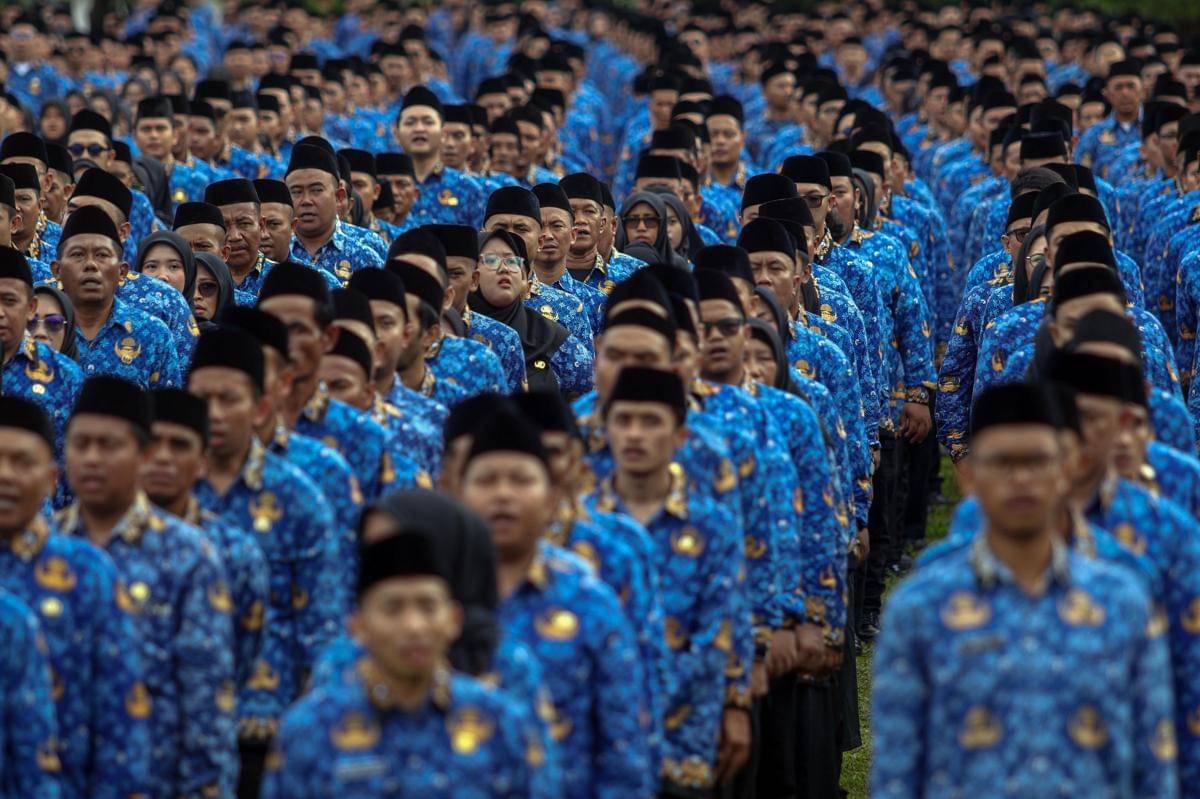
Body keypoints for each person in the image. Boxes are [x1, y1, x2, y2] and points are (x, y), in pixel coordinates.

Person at [873, 381, 1179, 798]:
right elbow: (896, 772)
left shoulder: (1122, 602)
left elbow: (1154, 766)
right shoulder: (921, 608)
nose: (1020, 479)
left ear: (1067, 469)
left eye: (1037, 461)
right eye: (1001, 463)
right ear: (971, 476)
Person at [262, 530, 556, 798]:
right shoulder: (311, 730)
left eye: (428, 607)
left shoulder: (500, 722)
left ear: (454, 620)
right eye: (393, 609)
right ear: (359, 626)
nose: (414, 626)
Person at [458, 404, 653, 798]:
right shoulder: (428, 597)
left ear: (552, 497)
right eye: (487, 480)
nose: (503, 495)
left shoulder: (589, 601)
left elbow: (624, 740)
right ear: (456, 491)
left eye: (521, 480)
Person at [57, 375, 237, 798]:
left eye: (109, 446)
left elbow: (206, 699)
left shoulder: (188, 555)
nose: (92, 460)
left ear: (143, 455)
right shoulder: (46, 550)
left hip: (154, 781)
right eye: (81, 445)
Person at [186, 324, 344, 798]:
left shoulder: (298, 497)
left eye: (228, 399)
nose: (212, 414)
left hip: (267, 726)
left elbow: (319, 629)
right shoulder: (159, 494)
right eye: (201, 399)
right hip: (176, 726)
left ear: (259, 408)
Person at [587, 366, 748, 795]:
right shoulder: (582, 529)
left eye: (651, 421)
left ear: (679, 437)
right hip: (600, 741)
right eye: (623, 421)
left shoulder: (713, 525)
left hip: (686, 736)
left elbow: (717, 633)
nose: (635, 435)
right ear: (605, 430)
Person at [0, 395, 146, 798]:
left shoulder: (88, 573)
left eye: (21, 462)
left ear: (51, 479)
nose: (5, 476)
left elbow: (121, 714)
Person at [142, 387, 270, 691]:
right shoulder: (95, 545)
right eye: (151, 444)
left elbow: (243, 656)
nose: (162, 458)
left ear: (202, 463)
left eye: (180, 446)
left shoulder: (235, 551)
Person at [52, 205, 181, 388]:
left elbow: (167, 412)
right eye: (78, 255)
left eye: (102, 255)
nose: (90, 265)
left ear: (122, 272)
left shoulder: (153, 334)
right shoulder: (39, 330)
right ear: (57, 270)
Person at [468, 229, 590, 394]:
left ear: (525, 279)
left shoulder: (551, 338)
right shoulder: (456, 330)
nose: (504, 269)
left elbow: (592, 396)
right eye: (491, 260)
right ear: (472, 276)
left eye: (512, 262)